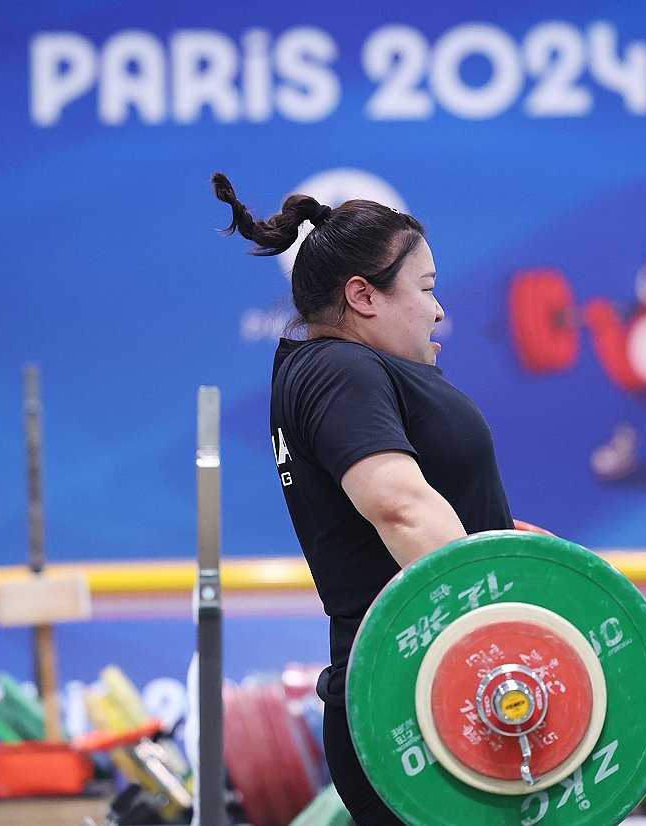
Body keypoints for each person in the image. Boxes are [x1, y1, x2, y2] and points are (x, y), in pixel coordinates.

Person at [212, 173, 514, 825]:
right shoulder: (336, 369)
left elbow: (442, 514)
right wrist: (502, 639)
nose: (439, 310)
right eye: (427, 290)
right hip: (422, 705)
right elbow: (400, 508)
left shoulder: (340, 371)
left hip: (433, 692)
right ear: (362, 295)